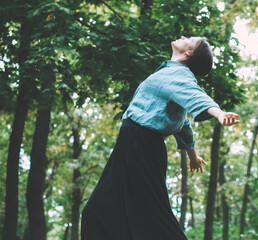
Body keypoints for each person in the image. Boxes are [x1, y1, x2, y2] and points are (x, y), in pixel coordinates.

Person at [81, 36, 240, 240]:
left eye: (189, 39)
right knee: (96, 212)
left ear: (189, 53)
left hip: (141, 145)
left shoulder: (179, 75)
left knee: (154, 218)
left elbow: (195, 96)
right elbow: (183, 123)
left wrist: (218, 113)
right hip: (130, 144)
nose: (183, 36)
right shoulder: (169, 73)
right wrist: (192, 155)